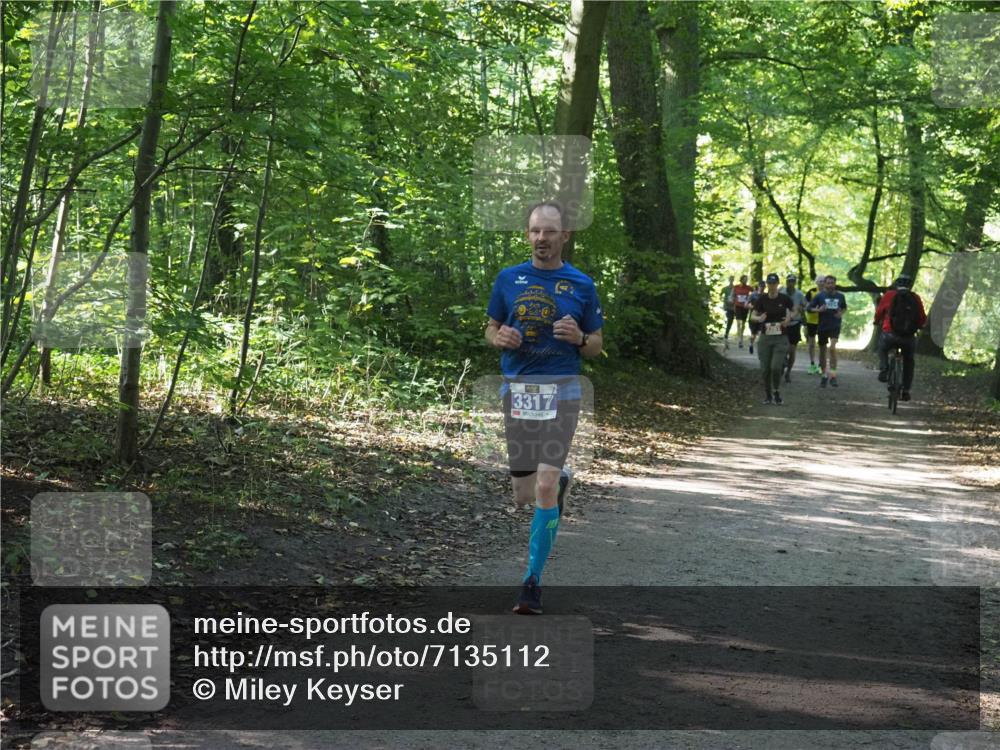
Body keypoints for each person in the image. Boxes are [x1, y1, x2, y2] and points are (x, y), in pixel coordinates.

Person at [486, 201, 604, 615]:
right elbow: (491, 327)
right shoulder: (508, 279)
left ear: (564, 236)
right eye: (535, 231)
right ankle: (558, 482)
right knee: (522, 494)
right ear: (527, 234)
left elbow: (596, 344)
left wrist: (578, 339)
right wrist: (499, 338)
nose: (541, 238)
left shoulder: (582, 285)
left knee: (544, 487)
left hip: (563, 391)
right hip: (518, 391)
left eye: (549, 231)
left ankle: (531, 583)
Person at [874, 274, 927, 401]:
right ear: (910, 285)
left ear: (897, 284)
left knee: (882, 348)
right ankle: (906, 391)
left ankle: (884, 367)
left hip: (890, 334)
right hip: (908, 338)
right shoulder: (915, 298)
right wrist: (920, 326)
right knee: (909, 361)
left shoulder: (889, 295)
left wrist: (877, 321)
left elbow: (879, 312)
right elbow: (921, 317)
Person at [752, 273, 793, 404]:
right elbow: (753, 315)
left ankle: (776, 390)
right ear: (767, 285)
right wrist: (759, 318)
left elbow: (794, 310)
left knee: (775, 367)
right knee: (765, 369)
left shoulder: (784, 298)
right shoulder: (762, 299)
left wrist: (788, 318)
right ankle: (768, 395)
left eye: (774, 283)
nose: (772, 285)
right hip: (765, 338)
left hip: (780, 338)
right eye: (770, 283)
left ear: (777, 284)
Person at [807, 275, 847, 388]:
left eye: (832, 283)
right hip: (823, 326)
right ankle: (824, 375)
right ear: (824, 284)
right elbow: (809, 308)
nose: (830, 285)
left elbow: (844, 308)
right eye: (828, 283)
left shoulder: (840, 296)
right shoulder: (820, 296)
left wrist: (841, 313)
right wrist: (818, 310)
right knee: (823, 351)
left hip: (835, 325)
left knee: (833, 348)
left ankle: (833, 375)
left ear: (835, 284)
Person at [780, 273, 806, 383]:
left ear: (795, 283)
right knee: (781, 348)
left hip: (795, 324)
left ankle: (788, 372)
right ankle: (781, 364)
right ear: (786, 282)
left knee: (792, 350)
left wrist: (801, 309)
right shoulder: (781, 292)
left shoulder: (799, 294)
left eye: (792, 281)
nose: (790, 283)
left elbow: (805, 306)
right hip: (782, 324)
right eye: (788, 281)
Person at [803, 274, 824, 374]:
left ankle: (821, 365)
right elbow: (806, 307)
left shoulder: (828, 293)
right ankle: (812, 364)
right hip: (811, 321)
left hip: (824, 322)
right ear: (816, 282)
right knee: (811, 344)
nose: (821, 283)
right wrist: (817, 310)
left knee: (822, 345)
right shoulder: (811, 292)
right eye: (819, 281)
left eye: (823, 281)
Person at [730, 275, 753, 349]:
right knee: (738, 322)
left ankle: (741, 337)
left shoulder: (749, 288)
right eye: (744, 279)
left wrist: (750, 301)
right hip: (737, 306)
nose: (746, 281)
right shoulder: (736, 287)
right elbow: (732, 295)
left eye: (747, 279)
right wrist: (732, 300)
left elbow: (754, 294)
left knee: (743, 323)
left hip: (745, 307)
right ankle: (740, 339)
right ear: (741, 280)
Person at [747, 280, 765, 355]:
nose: (762, 288)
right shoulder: (753, 295)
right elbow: (747, 304)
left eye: (763, 286)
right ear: (758, 286)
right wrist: (753, 307)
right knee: (753, 334)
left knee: (761, 333)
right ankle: (751, 344)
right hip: (753, 318)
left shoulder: (765, 296)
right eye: (761, 286)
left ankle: (760, 348)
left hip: (762, 318)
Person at [721, 275, 736, 350]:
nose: (731, 280)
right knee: (729, 319)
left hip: (733, 307)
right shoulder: (725, 288)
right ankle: (726, 334)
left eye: (732, 279)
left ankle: (726, 333)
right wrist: (724, 302)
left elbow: (737, 297)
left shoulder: (735, 288)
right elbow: (720, 295)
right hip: (727, 307)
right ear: (728, 280)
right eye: (730, 279)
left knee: (731, 320)